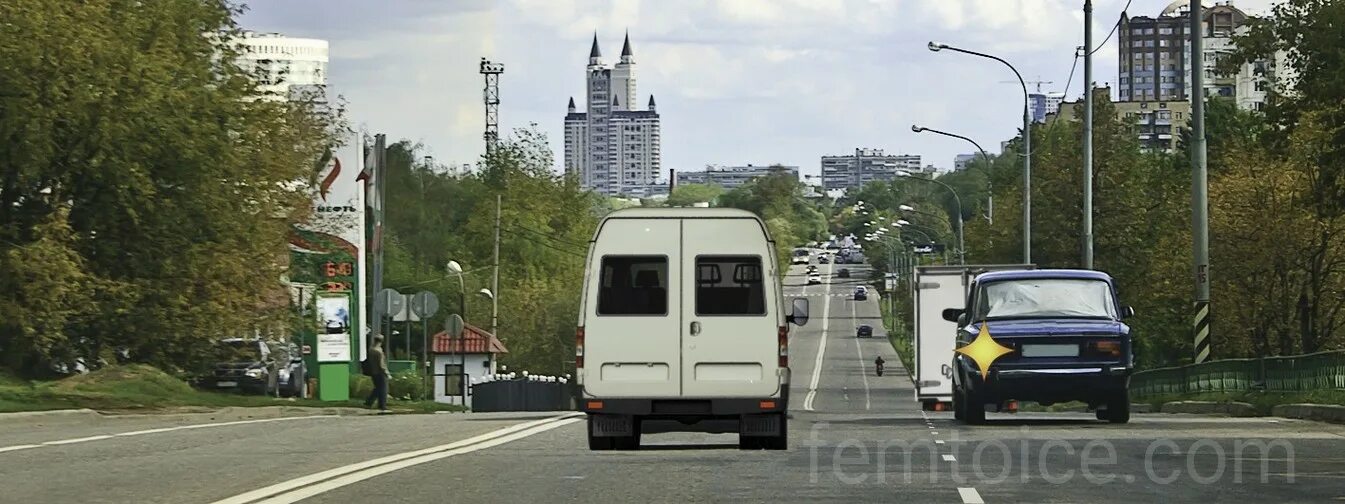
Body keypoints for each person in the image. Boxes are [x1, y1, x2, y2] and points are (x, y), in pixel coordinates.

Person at [364, 334, 389, 412]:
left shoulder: (371, 350)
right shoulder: (379, 351)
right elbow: (381, 364)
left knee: (377, 388)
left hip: (373, 371)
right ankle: (382, 405)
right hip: (380, 372)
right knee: (383, 389)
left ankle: (369, 402)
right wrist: (386, 372)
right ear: (381, 341)